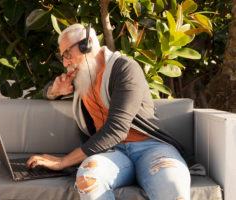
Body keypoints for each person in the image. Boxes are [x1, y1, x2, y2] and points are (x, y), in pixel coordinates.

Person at [26, 23, 190, 200]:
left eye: (67, 54)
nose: (65, 62)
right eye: (62, 56)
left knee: (172, 186)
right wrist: (56, 91)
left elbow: (116, 129)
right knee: (87, 180)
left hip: (150, 148)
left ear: (86, 44)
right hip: (111, 153)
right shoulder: (80, 75)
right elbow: (47, 92)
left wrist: (63, 162)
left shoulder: (125, 69)